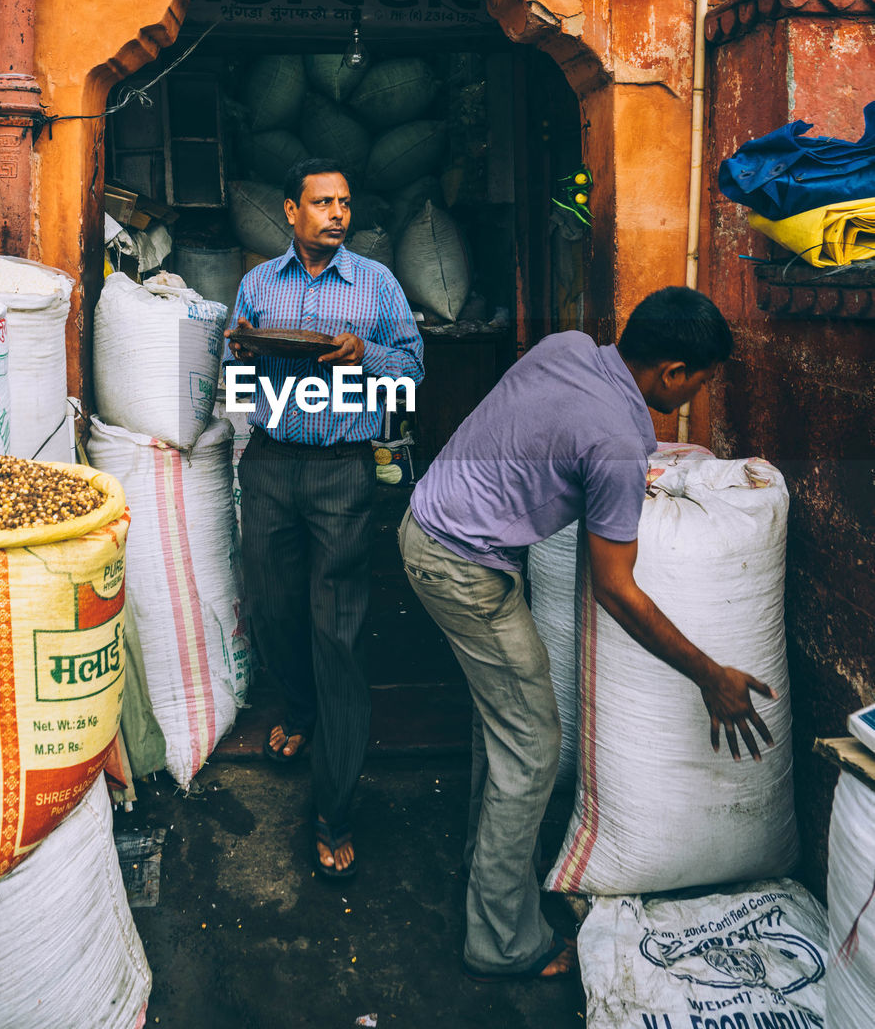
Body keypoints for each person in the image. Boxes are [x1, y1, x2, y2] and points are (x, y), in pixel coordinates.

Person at [398, 287, 776, 981]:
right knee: (535, 746)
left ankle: (485, 867)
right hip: (461, 568)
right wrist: (708, 675)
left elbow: (556, 434)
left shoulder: (567, 347)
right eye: (698, 376)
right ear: (669, 370)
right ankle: (502, 941)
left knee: (504, 721)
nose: (697, 391)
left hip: (431, 525)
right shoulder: (616, 443)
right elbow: (616, 587)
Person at [224, 158, 424, 880]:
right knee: (274, 612)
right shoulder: (257, 284)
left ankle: (333, 808)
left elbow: (412, 370)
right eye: (321, 203)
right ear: (290, 211)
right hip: (272, 462)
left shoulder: (376, 284)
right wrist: (244, 352)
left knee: (335, 632)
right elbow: (236, 373)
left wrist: (364, 354)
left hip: (343, 469)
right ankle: (301, 712)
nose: (336, 213)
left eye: (343, 202)